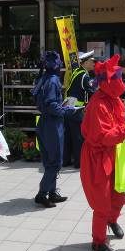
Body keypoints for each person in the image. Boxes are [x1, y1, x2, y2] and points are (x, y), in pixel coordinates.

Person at [80, 54, 125, 251]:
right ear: (107, 82)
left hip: (115, 153)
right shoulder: (98, 104)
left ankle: (112, 220)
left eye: (121, 78)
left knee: (118, 195)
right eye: (117, 79)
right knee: (102, 202)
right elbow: (105, 136)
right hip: (99, 158)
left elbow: (119, 127)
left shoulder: (115, 100)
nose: (121, 82)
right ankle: (98, 241)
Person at [33, 51, 75, 208]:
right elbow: (52, 105)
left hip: (44, 123)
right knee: (55, 162)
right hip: (52, 124)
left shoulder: (43, 78)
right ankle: (42, 194)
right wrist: (67, 110)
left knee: (49, 160)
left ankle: (52, 192)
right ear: (57, 66)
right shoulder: (53, 80)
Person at [63, 50, 96, 168]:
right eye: (92, 62)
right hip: (76, 110)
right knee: (78, 137)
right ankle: (78, 163)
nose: (94, 64)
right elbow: (92, 92)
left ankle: (65, 160)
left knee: (67, 136)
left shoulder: (77, 71)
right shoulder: (84, 76)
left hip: (67, 108)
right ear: (85, 62)